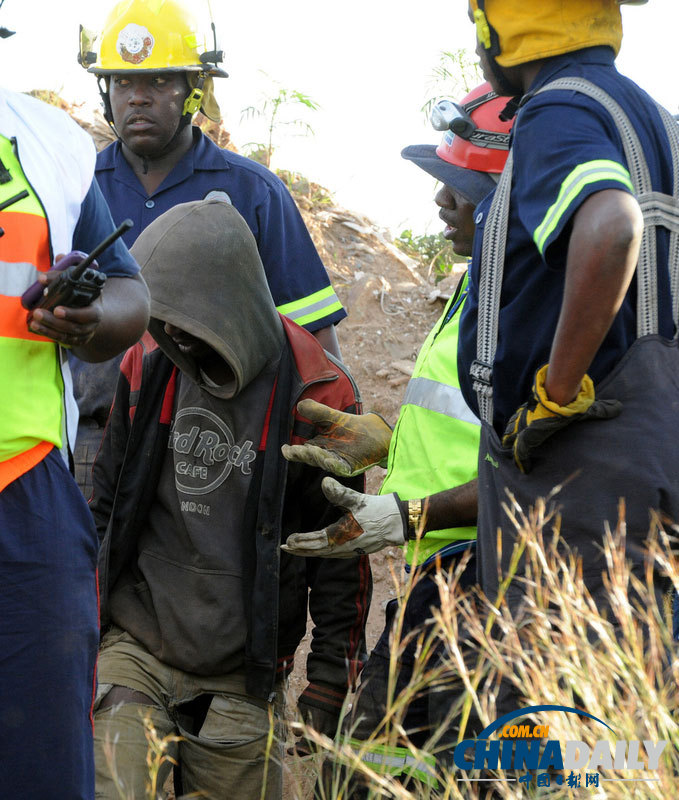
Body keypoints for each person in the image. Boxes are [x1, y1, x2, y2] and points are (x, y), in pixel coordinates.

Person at [89, 198, 371, 799]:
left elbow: (343, 553)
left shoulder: (320, 394)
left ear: (232, 302)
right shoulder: (149, 364)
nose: (176, 344)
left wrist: (325, 685)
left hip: (241, 674)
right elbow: (105, 506)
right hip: (137, 643)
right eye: (161, 326)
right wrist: (83, 627)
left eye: (187, 327)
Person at [281, 84, 513, 786]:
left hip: (482, 594)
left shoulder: (534, 309)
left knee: (376, 777)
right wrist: (386, 439)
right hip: (436, 587)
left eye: (462, 186)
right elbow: (470, 424)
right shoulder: (483, 288)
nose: (442, 201)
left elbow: (544, 474)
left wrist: (407, 516)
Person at [458, 0, 679, 704]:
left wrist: (556, 392)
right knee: (624, 727)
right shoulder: (651, 119)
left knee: (561, 736)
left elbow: (610, 227)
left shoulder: (557, 110)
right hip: (643, 462)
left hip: (581, 479)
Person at [72, 0, 345, 495]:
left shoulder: (253, 192)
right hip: (91, 439)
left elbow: (314, 341)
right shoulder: (72, 188)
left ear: (194, 89)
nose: (137, 98)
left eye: (159, 82)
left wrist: (329, 443)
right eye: (122, 82)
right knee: (90, 570)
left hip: (216, 446)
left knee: (205, 572)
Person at [0, 76, 149, 800]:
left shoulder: (45, 142)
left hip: (24, 497)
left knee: (42, 765)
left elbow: (127, 290)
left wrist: (91, 318)